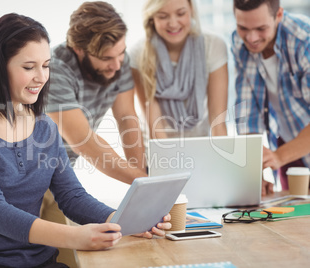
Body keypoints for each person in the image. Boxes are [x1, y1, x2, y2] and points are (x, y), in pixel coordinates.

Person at [0, 13, 170, 268]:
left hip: (38, 261)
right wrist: (77, 236)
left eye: (46, 65)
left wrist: (125, 221)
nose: (41, 77)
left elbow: (71, 196)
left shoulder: (44, 125)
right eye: (29, 67)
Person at [46, 1, 147, 182]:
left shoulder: (119, 62)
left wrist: (141, 183)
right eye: (106, 58)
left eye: (121, 53)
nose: (117, 65)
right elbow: (84, 142)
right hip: (22, 174)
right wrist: (144, 181)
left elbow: (126, 119)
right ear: (78, 49)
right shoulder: (54, 68)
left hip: (60, 174)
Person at [232, 0, 310, 194]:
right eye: (243, 27)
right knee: (293, 216)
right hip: (286, 141)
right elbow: (247, 112)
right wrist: (254, 171)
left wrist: (278, 156)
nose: (251, 38)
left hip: (295, 145)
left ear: (279, 15)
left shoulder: (304, 40)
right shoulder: (238, 42)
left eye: (261, 28)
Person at [130, 0, 229, 139]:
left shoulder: (213, 46)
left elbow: (217, 124)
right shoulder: (139, 54)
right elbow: (156, 130)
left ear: (192, 10)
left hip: (200, 144)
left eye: (181, 13)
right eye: (163, 16)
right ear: (152, 18)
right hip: (158, 147)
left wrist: (224, 157)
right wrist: (169, 158)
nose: (173, 23)